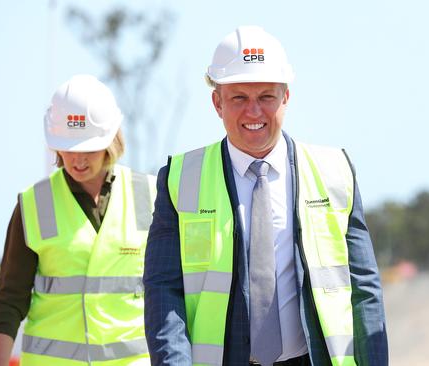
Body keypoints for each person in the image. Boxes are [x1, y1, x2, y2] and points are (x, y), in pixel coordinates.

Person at [143, 26, 388, 365]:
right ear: (217, 102)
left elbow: (364, 289)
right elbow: (163, 290)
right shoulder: (180, 179)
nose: (253, 112)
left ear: (285, 97)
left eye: (266, 98)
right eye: (239, 98)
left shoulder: (335, 171)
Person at [0, 74, 156, 365]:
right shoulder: (33, 205)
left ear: (111, 140)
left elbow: (172, 291)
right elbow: (8, 299)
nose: (77, 160)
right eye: (68, 148)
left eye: (88, 148)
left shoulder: (151, 195)